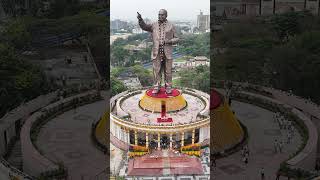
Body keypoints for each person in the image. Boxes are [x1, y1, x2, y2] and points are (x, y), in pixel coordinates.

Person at [137, 9, 179, 94]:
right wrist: (140, 20)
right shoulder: (153, 25)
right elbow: (144, 27)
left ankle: (168, 86)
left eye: (162, 15)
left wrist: (169, 41)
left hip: (167, 52)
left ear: (166, 15)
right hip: (156, 52)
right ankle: (157, 86)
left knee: (168, 71)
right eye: (159, 15)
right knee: (156, 70)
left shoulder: (171, 25)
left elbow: (177, 38)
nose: (160, 16)